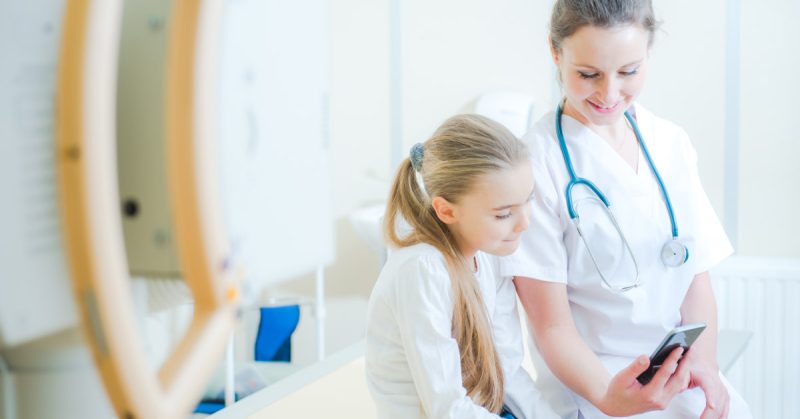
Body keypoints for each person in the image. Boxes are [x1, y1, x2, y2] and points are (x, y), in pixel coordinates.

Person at [502, 1, 753, 418]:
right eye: (588, 74)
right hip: (593, 388)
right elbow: (551, 326)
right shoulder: (534, 164)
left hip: (681, 374)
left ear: (648, 52)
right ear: (555, 52)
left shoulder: (670, 142)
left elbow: (694, 275)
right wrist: (608, 397)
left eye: (628, 71)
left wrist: (706, 363)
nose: (609, 94)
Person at [365, 114, 558, 419]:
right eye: (504, 214)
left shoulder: (489, 254)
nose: (525, 223)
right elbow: (448, 409)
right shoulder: (423, 270)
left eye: (527, 201)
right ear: (446, 211)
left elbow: (507, 371)